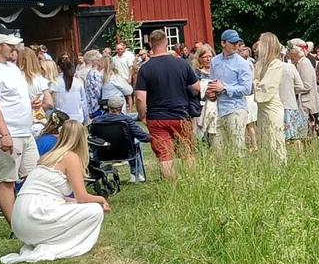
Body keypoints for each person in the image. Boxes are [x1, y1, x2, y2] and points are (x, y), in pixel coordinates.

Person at [1, 120, 109, 264]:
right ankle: (62, 245)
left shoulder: (48, 157)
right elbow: (82, 197)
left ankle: (45, 240)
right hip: (35, 214)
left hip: (19, 219)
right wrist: (101, 199)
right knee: (94, 210)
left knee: (76, 206)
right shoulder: (70, 157)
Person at [0, 25, 40, 224]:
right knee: (6, 180)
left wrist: (29, 104)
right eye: (8, 44)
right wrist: (4, 134)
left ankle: (32, 218)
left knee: (35, 176)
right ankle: (16, 225)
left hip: (24, 132)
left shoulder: (12, 68)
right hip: (2, 134)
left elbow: (10, 98)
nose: (13, 48)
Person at [134, 28, 200, 179]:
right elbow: (196, 87)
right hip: (181, 114)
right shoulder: (181, 64)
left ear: (150, 44)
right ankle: (192, 183)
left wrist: (142, 115)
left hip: (157, 117)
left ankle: (172, 187)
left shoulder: (145, 68)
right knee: (187, 151)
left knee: (165, 154)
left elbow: (140, 98)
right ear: (167, 42)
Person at [207, 29, 253, 154]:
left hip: (236, 109)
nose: (236, 45)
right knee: (218, 151)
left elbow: (247, 89)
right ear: (223, 43)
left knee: (237, 149)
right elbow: (212, 82)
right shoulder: (214, 61)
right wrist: (210, 92)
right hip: (218, 109)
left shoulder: (242, 63)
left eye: (237, 43)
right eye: (232, 43)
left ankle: (241, 167)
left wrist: (225, 88)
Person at [91, 91, 150, 182]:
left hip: (103, 153)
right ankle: (136, 174)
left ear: (108, 106)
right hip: (125, 152)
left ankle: (96, 174)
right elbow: (143, 137)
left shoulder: (96, 121)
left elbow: (93, 138)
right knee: (137, 143)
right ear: (121, 107)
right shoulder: (126, 120)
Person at [253, 33, 289, 161]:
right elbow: (255, 82)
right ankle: (267, 167)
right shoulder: (260, 64)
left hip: (272, 107)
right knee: (264, 140)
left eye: (260, 41)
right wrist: (256, 83)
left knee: (274, 140)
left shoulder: (276, 64)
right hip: (262, 108)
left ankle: (279, 168)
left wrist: (255, 83)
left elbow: (266, 87)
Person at [289, 40, 319, 133]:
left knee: (308, 131)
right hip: (303, 102)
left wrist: (292, 89)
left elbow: (307, 86)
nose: (289, 55)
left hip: (307, 103)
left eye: (290, 53)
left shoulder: (304, 63)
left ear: (295, 53)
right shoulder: (298, 63)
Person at [52, 56, 89, 124]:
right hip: (77, 119)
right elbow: (83, 103)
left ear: (58, 67)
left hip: (61, 120)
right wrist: (86, 119)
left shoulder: (54, 83)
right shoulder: (78, 82)